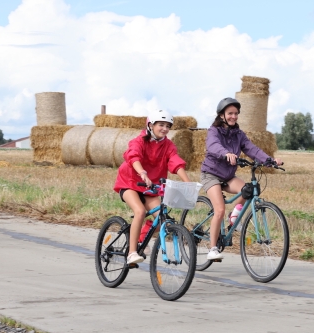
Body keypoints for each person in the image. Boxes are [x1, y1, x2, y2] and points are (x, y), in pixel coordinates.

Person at [200, 97, 282, 260]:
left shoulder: (239, 134)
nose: (234, 116)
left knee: (249, 190)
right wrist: (225, 153)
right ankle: (213, 248)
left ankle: (234, 217)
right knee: (220, 209)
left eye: (236, 113)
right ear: (221, 115)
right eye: (230, 113)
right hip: (211, 174)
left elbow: (252, 149)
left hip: (228, 175)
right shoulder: (213, 131)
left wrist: (270, 160)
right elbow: (213, 145)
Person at [114, 110, 190, 265]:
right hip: (130, 182)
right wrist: (142, 172)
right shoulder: (139, 141)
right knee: (140, 211)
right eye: (161, 125)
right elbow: (133, 156)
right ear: (150, 125)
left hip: (151, 186)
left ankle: (141, 237)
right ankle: (132, 253)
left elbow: (175, 161)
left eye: (168, 126)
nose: (165, 129)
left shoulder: (168, 145)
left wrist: (187, 182)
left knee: (163, 220)